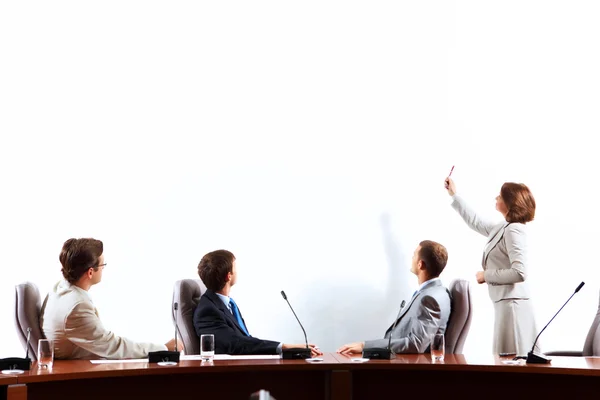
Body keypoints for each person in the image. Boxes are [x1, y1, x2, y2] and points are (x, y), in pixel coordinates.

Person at [40, 238, 180, 359]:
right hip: (78, 373)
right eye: (102, 265)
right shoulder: (77, 305)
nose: (103, 269)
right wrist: (163, 347)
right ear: (90, 272)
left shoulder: (59, 289)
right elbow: (112, 346)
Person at [445, 177, 537, 355]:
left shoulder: (514, 230)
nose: (496, 198)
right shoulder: (504, 227)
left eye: (500, 196)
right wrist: (454, 195)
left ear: (511, 202)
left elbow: (520, 272)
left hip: (513, 306)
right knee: (505, 361)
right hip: (506, 304)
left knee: (510, 362)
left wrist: (486, 275)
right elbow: (476, 222)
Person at [193, 249, 321, 356]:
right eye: (235, 267)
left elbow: (246, 340)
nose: (237, 270)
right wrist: (283, 347)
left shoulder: (226, 303)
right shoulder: (207, 310)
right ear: (228, 276)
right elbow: (235, 344)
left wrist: (290, 349)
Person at [337, 240, 451, 355]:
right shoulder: (440, 292)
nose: (412, 258)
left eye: (414, 255)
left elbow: (416, 344)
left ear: (420, 264)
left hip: (404, 366)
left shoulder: (429, 299)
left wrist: (364, 346)